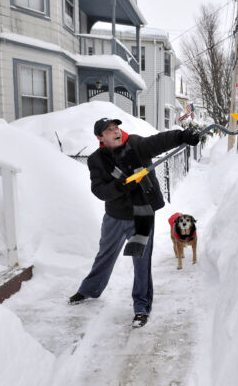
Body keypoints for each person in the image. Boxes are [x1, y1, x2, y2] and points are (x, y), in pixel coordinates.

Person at [69, 117, 200, 328]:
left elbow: (159, 141)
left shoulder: (137, 146)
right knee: (105, 255)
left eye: (116, 127)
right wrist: (120, 186)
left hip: (142, 215)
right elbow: (99, 190)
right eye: (109, 130)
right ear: (101, 137)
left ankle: (141, 306)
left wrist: (182, 136)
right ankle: (89, 289)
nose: (116, 131)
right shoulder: (97, 160)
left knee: (141, 263)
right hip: (114, 216)